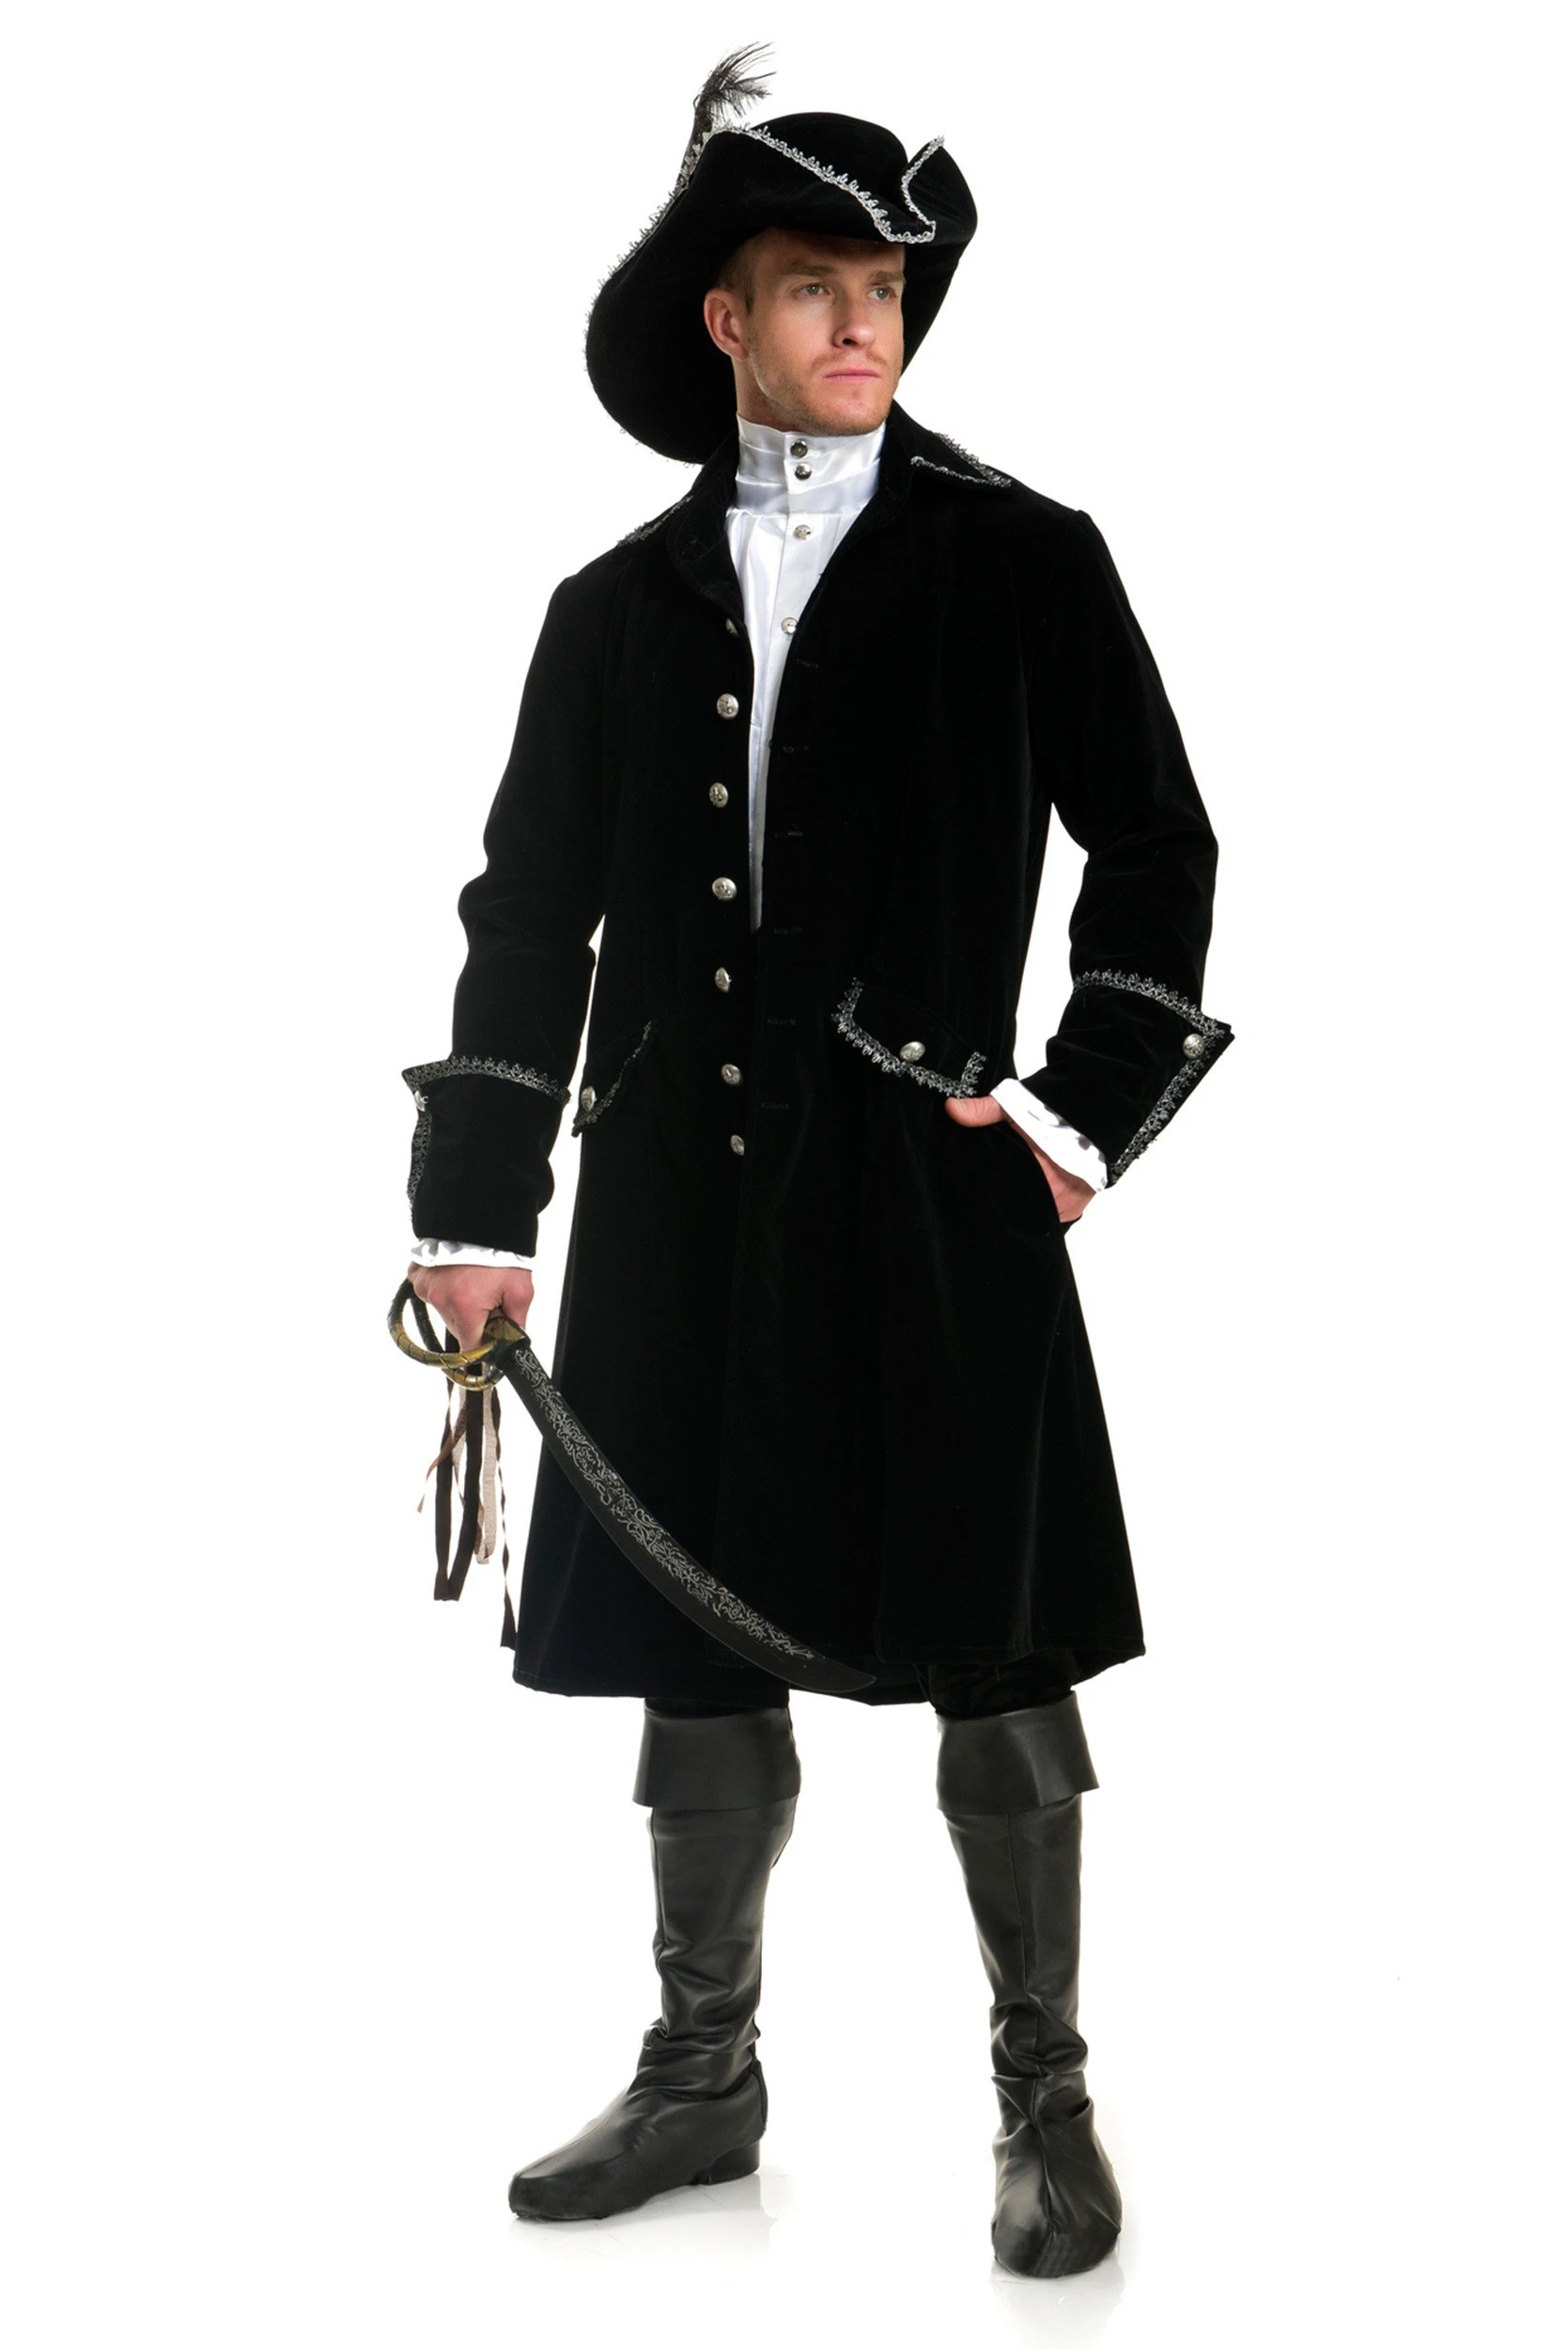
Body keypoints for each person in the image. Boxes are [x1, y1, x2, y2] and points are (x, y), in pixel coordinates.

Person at [402, 49, 1233, 2279]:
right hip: (677, 1198)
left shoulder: (1023, 559)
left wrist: (1068, 1112)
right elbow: (526, 913)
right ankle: (702, 2073)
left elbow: (1156, 846)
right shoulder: (611, 605)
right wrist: (479, 1214)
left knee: (996, 1647)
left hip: (934, 1188)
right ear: (725, 317)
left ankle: (1043, 2094)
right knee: (695, 1639)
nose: (860, 322)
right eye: (808, 286)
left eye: (882, 288)